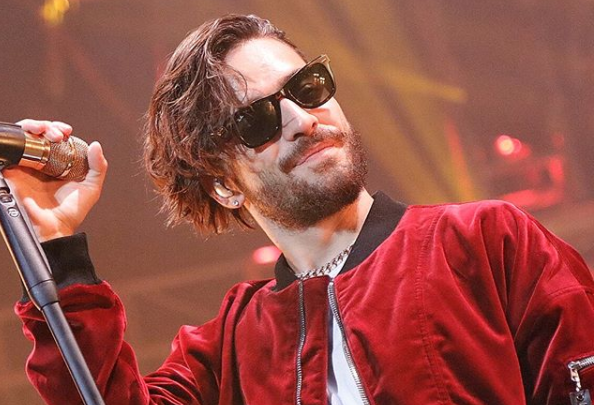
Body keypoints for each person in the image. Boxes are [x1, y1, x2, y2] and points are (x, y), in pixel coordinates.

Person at [8, 14, 594, 405]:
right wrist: (57, 249)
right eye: (257, 119)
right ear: (222, 185)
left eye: (307, 87)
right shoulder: (225, 349)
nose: (301, 120)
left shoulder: (485, 240)